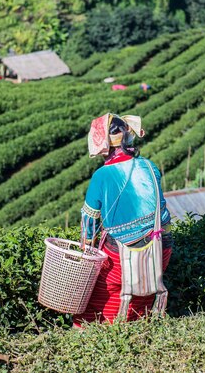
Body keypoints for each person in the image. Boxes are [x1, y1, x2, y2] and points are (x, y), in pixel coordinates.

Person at [72, 114, 172, 328]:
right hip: (161, 247)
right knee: (142, 297)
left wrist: (86, 251)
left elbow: (89, 221)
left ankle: (93, 339)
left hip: (123, 254)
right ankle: (139, 331)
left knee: (98, 300)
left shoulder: (102, 175)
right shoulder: (150, 166)